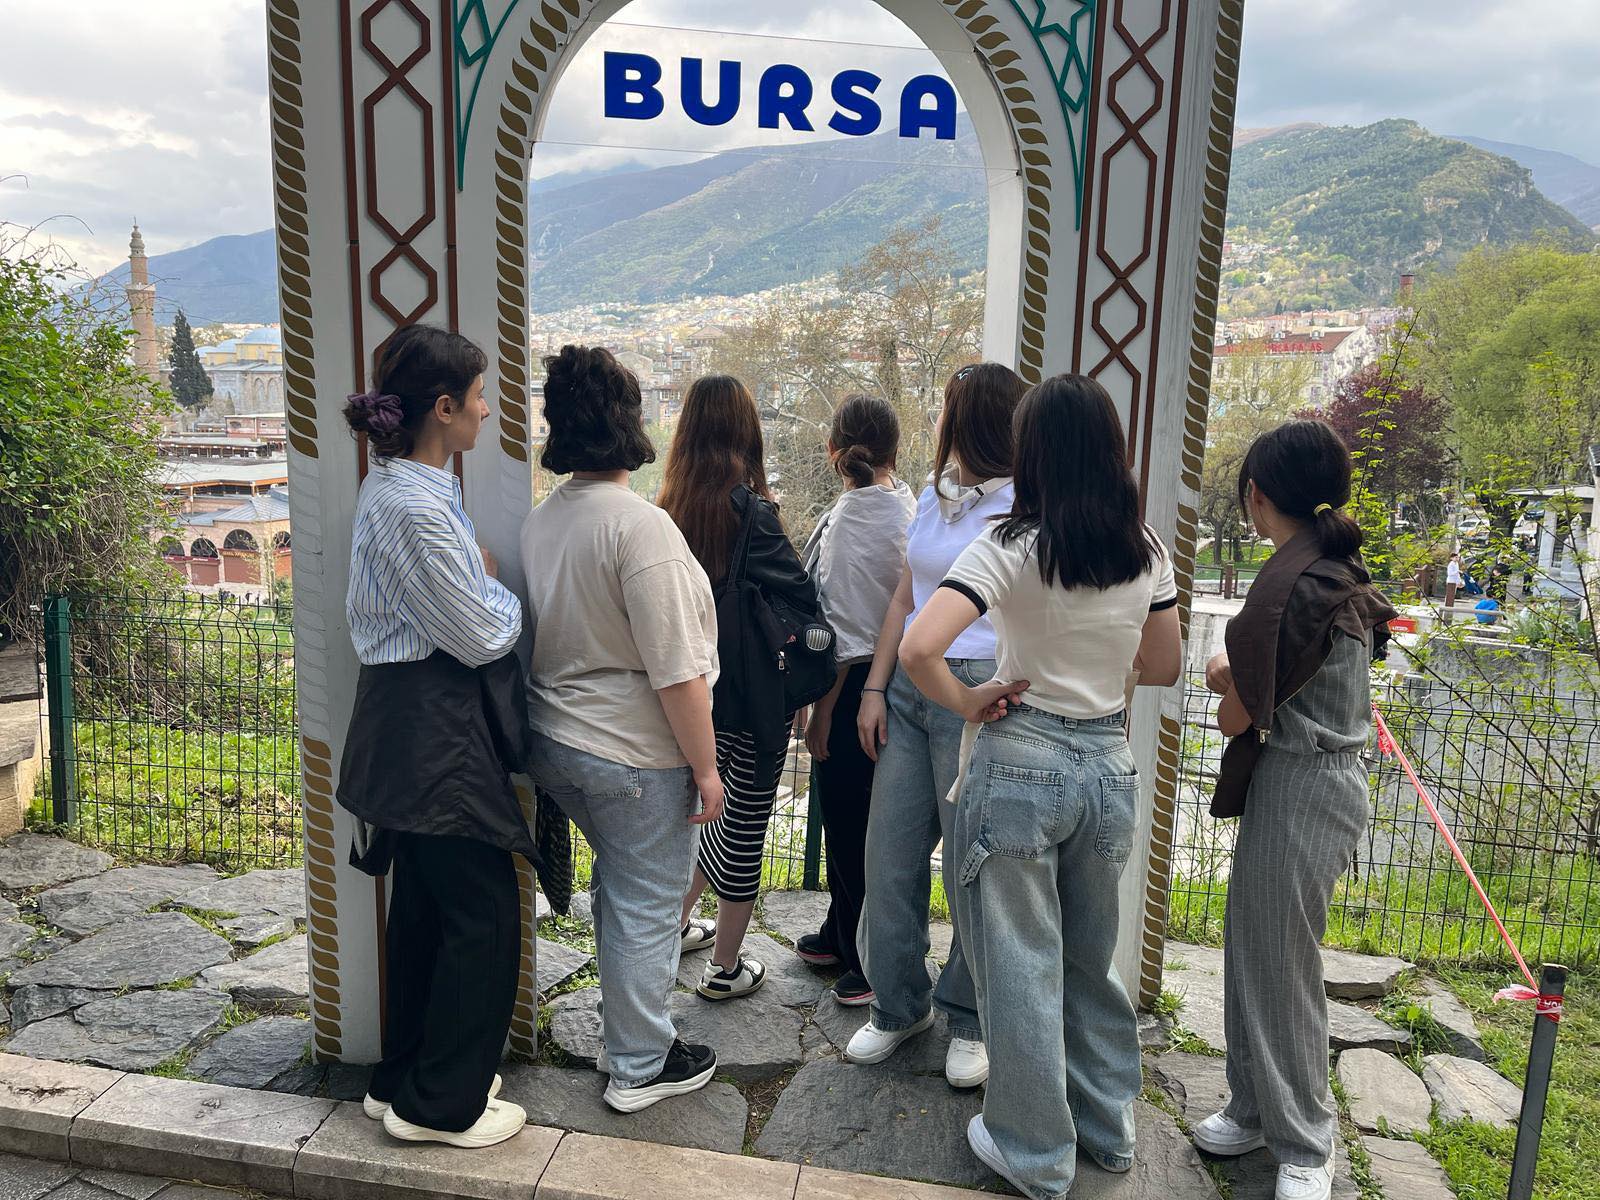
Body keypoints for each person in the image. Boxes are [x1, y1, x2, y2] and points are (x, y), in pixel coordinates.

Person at [899, 373, 1181, 1199]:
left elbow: (919, 648)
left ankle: (1033, 1152)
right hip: (1108, 766)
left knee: (1020, 963)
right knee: (1092, 959)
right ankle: (1107, 1130)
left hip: (1020, 757)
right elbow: (1164, 663)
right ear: (1110, 449)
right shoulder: (1145, 548)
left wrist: (968, 700)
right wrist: (1104, 678)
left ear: (1034, 453)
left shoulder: (1011, 544)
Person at [336, 324, 530, 1149]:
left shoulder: (402, 487)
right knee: (483, 913)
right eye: (479, 397)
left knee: (424, 908)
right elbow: (481, 634)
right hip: (433, 728)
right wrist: (497, 586)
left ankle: (404, 1079)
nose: (488, 410)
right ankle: (441, 1105)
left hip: (411, 721)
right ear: (443, 409)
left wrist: (478, 582)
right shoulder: (415, 505)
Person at [521, 345, 725, 1113]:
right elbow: (676, 669)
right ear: (629, 422)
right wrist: (706, 769)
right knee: (646, 901)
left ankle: (630, 1036)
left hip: (557, 740)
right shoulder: (641, 529)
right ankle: (641, 1063)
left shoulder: (543, 521)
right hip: (633, 751)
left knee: (621, 890)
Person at [1198, 419, 1396, 1200]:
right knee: (1256, 949)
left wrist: (1221, 669)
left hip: (1305, 783)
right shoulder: (1330, 567)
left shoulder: (1289, 587)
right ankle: (1251, 1109)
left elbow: (1235, 716)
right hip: (1313, 778)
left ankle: (1307, 1141)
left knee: (1282, 965)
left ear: (1255, 496)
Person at [848, 361, 1027, 1089]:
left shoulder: (1024, 504)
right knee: (888, 856)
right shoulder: (934, 494)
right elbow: (906, 597)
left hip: (976, 690)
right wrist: (874, 686)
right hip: (910, 691)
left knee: (967, 867)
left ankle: (969, 1018)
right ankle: (898, 1004)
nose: (940, 421)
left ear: (973, 420)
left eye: (950, 409)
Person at [657, 374, 821, 1001]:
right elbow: (801, 598)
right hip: (752, 699)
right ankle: (726, 968)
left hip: (683, 699)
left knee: (697, 819)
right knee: (745, 824)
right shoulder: (753, 515)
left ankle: (672, 928)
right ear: (745, 434)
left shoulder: (663, 514)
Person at [794, 393, 919, 1006]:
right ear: (896, 449)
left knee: (848, 824)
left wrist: (822, 712)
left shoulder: (848, 521)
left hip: (854, 687)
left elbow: (842, 630)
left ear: (832, 451)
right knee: (873, 820)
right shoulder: (908, 507)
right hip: (901, 678)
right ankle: (842, 931)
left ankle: (867, 957)